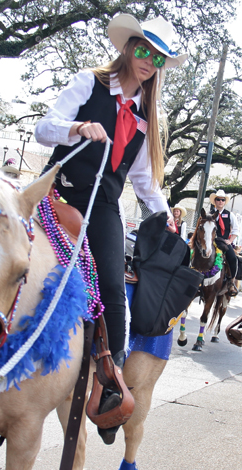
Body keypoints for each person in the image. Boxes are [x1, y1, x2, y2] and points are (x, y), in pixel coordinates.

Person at [34, 12, 185, 440]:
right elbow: (45, 129)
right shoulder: (89, 83)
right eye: (142, 49)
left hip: (101, 203)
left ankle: (110, 382)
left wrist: (166, 215)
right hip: (54, 189)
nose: (147, 60)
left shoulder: (143, 118)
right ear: (127, 47)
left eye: (157, 56)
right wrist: (78, 127)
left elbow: (142, 181)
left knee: (113, 287)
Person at [208, 190, 240, 295]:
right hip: (211, 241)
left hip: (224, 242)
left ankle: (231, 282)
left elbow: (236, 230)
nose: (220, 201)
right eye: (218, 199)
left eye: (222, 200)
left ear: (224, 202)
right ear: (215, 201)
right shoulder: (210, 214)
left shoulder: (230, 215)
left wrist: (230, 241)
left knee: (233, 258)